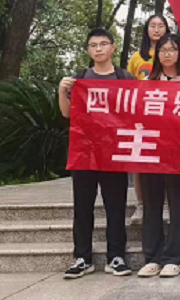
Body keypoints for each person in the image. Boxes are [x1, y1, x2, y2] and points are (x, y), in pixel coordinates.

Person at [58, 28, 133, 279]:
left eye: (103, 44)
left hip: (114, 153)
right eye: (93, 45)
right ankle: (82, 258)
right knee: (82, 207)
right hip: (84, 153)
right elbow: (67, 114)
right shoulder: (80, 79)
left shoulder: (124, 78)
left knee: (116, 207)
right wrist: (61, 91)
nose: (98, 49)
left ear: (113, 47)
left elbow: (137, 111)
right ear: (88, 50)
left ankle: (116, 257)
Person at [137, 33, 180, 278]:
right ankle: (152, 257)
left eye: (172, 49)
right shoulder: (146, 82)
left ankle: (175, 257)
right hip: (151, 149)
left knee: (178, 203)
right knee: (151, 203)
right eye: (163, 50)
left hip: (177, 150)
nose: (167, 54)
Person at [126, 14, 170, 225]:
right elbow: (128, 85)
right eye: (153, 25)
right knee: (139, 161)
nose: (157, 29)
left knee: (166, 160)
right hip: (142, 115)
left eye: (161, 25)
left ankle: (166, 205)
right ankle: (141, 204)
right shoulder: (137, 57)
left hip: (167, 115)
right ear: (146, 30)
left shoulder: (172, 53)